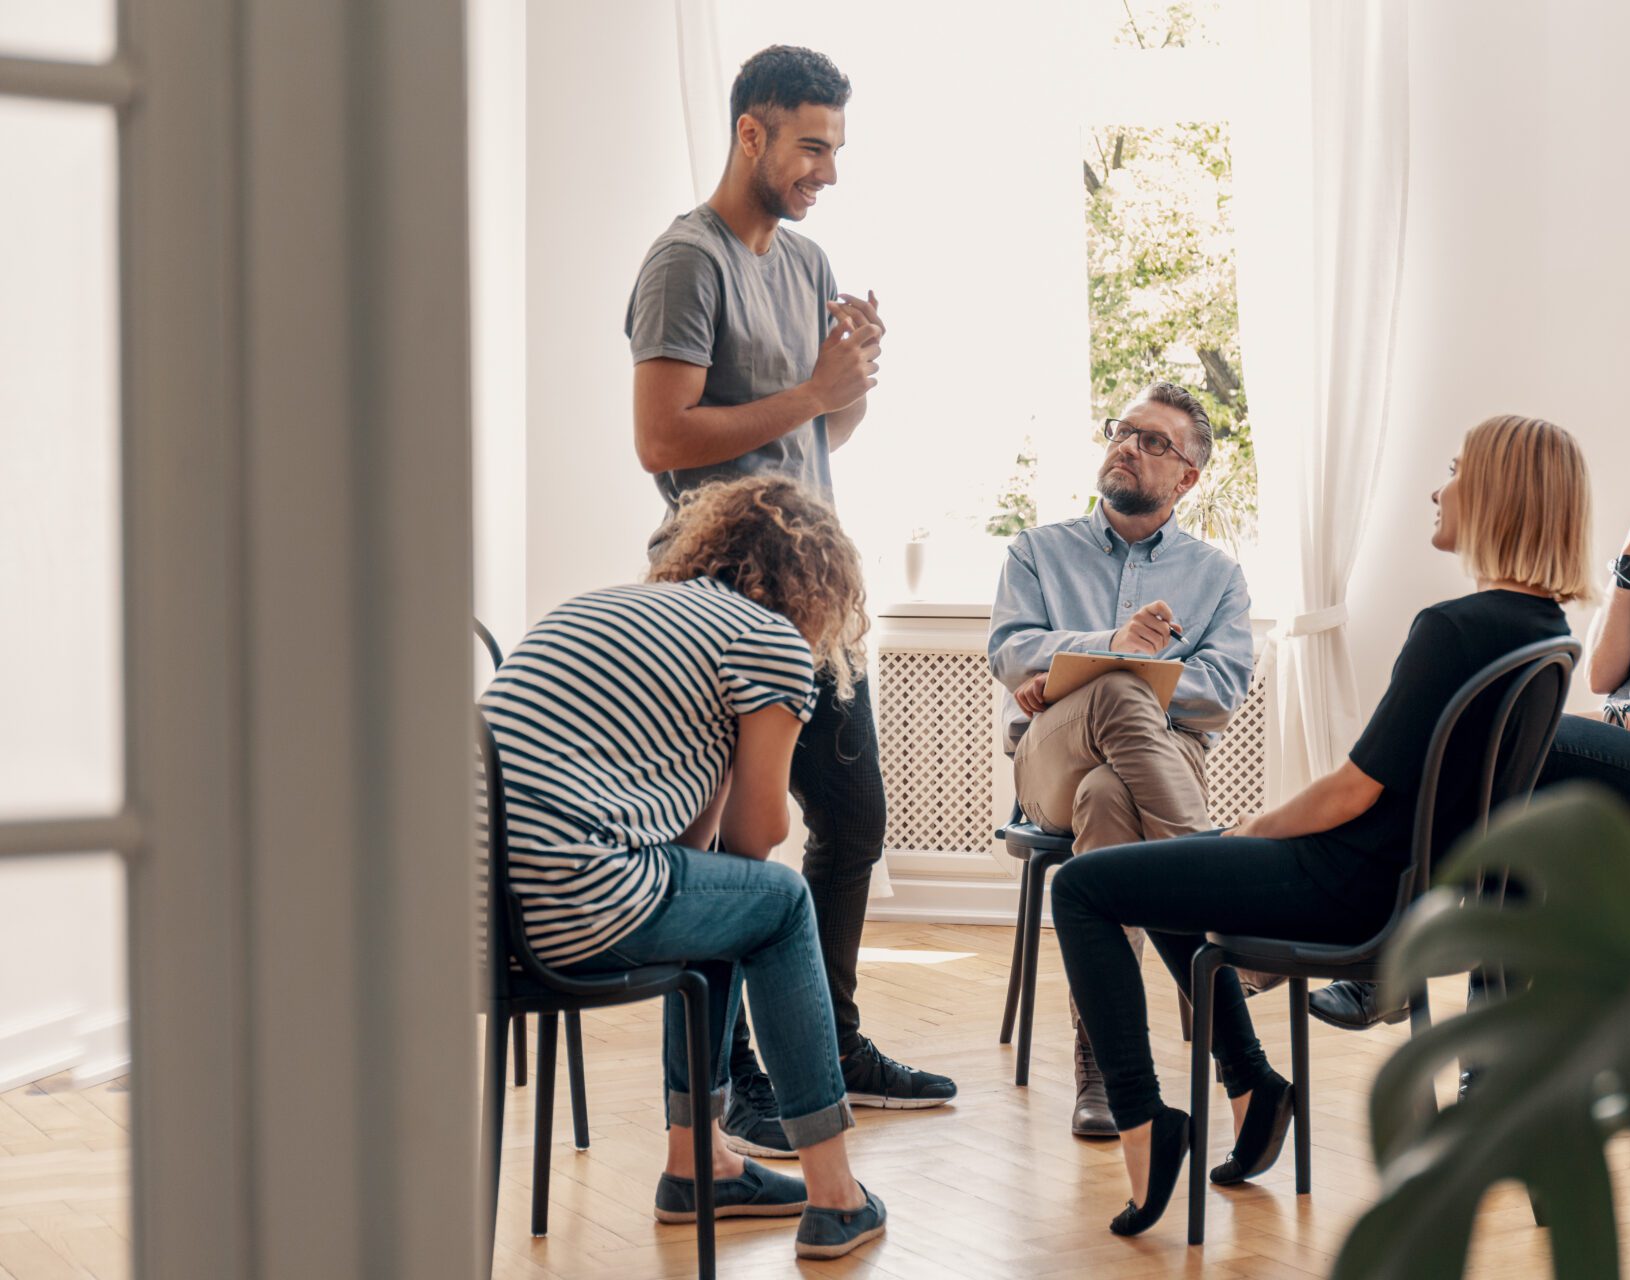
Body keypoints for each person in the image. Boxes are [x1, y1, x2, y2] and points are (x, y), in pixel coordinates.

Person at [1049, 416, 1592, 1235]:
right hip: (1418, 894)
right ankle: (1253, 1082)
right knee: (1167, 875)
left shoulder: (1452, 628)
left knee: (1084, 886)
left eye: (1453, 470)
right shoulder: (1545, 632)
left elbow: (1350, 793)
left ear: (1498, 495)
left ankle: (1143, 1120)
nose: (1438, 488)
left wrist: (1250, 833)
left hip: (1349, 889)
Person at [624, 44, 956, 1159]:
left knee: (853, 821)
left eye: (836, 147)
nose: (827, 169)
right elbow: (661, 439)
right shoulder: (687, 261)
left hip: (815, 595)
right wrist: (810, 389)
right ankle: (738, 1085)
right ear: (751, 133)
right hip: (718, 600)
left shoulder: (809, 259)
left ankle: (834, 1042)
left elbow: (812, 436)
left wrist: (845, 384)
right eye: (812, 144)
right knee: (732, 852)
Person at [1314, 380, 1630, 1037]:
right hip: (1626, 774)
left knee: (1511, 738)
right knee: (1516, 814)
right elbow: (1605, 671)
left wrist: (1619, 723)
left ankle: (1385, 960)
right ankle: (1490, 1063)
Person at [480, 476, 886, 1260]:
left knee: (728, 895)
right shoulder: (767, 641)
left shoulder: (596, 606)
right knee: (782, 901)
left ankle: (698, 1164)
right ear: (815, 583)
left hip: (472, 909)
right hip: (570, 896)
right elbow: (760, 834)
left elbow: (702, 858)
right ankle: (836, 1195)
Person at [987, 382, 1254, 1137]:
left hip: (1156, 764)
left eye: (1154, 442)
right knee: (1114, 698)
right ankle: (1224, 910)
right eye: (1124, 431)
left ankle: (1105, 1066)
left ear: (1187, 478)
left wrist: (1099, 677)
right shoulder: (1037, 550)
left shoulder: (1217, 576)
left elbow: (1221, 695)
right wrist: (1116, 652)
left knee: (1109, 796)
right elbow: (1009, 652)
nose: (1128, 446)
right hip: (1048, 760)